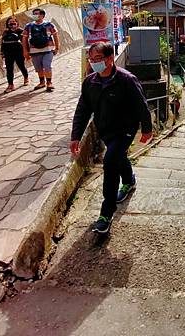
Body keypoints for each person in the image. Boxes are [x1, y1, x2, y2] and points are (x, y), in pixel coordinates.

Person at [70, 42, 152, 234]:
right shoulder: (90, 82)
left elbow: (141, 105)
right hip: (105, 130)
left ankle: (106, 212)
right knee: (118, 157)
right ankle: (129, 180)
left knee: (110, 161)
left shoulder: (127, 80)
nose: (93, 63)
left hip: (125, 129)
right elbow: (83, 110)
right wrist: (76, 136)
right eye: (91, 59)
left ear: (109, 58)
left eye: (97, 59)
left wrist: (147, 129)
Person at [22, 8, 60, 92]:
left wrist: (57, 47)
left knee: (47, 66)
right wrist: (25, 51)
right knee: (38, 68)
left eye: (36, 13)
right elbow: (24, 39)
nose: (34, 15)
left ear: (42, 15)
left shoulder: (49, 25)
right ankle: (42, 82)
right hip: (34, 51)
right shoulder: (28, 26)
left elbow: (55, 36)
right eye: (34, 14)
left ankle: (49, 83)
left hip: (48, 50)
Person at [1, 16, 29, 93]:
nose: (12, 23)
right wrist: (2, 53)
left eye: (14, 21)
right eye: (10, 22)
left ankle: (26, 77)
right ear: (7, 24)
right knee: (9, 69)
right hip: (8, 53)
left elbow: (25, 42)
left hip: (19, 52)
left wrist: (26, 52)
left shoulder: (21, 31)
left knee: (21, 66)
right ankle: (10, 85)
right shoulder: (5, 32)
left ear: (17, 23)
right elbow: (2, 43)